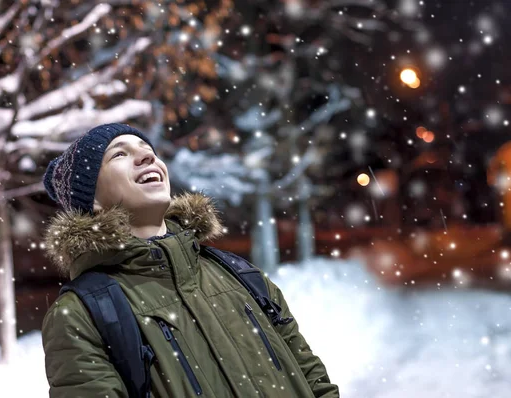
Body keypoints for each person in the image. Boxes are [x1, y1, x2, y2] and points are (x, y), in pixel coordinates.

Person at [41, 123, 339, 397]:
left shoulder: (238, 274)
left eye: (148, 150)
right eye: (119, 154)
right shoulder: (83, 315)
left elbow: (313, 380)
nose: (146, 157)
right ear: (91, 198)